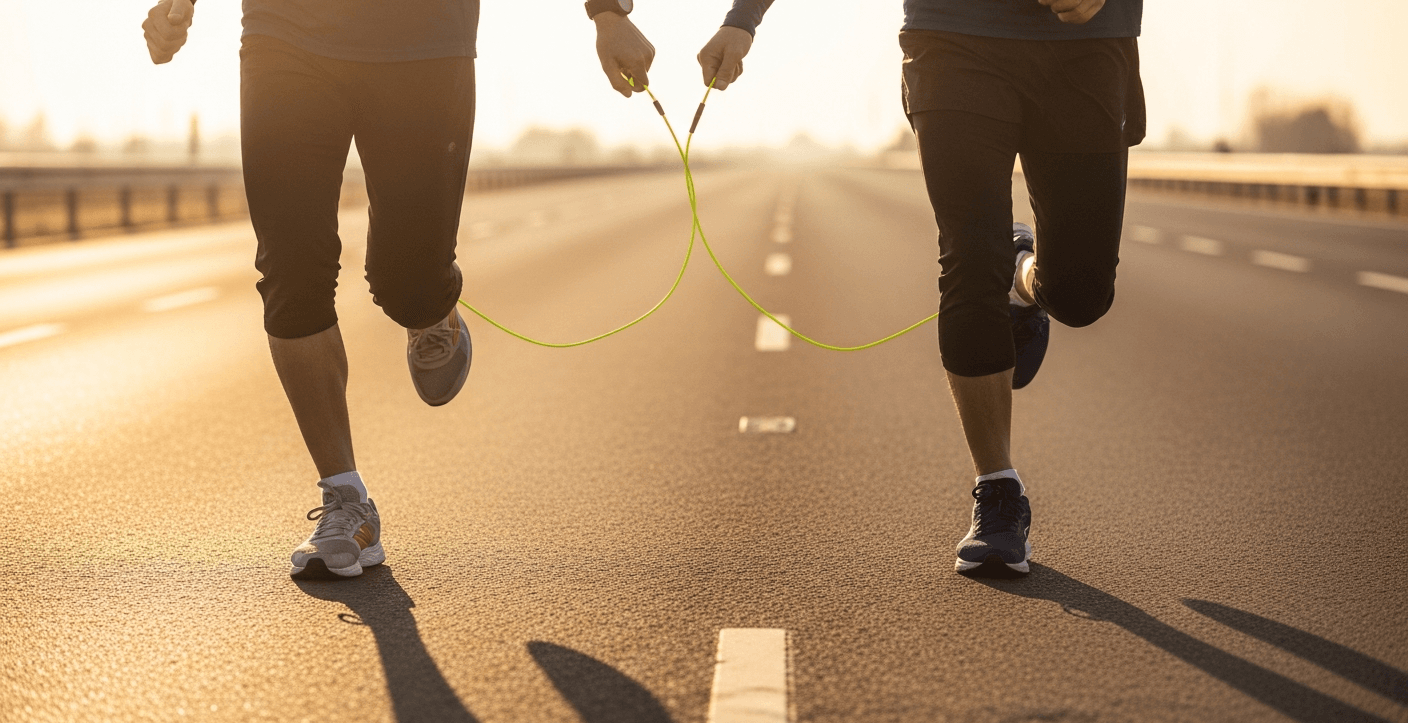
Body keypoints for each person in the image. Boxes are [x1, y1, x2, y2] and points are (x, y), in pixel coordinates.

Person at [143, 0, 656, 579]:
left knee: (406, 279)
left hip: (423, 39)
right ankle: (345, 498)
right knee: (291, 269)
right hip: (284, 34)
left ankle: (429, 306)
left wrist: (608, 14)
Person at [699, 0, 1145, 574]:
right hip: (953, 35)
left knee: (1081, 295)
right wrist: (742, 19)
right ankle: (998, 491)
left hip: (1087, 47)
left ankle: (1022, 275)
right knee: (970, 256)